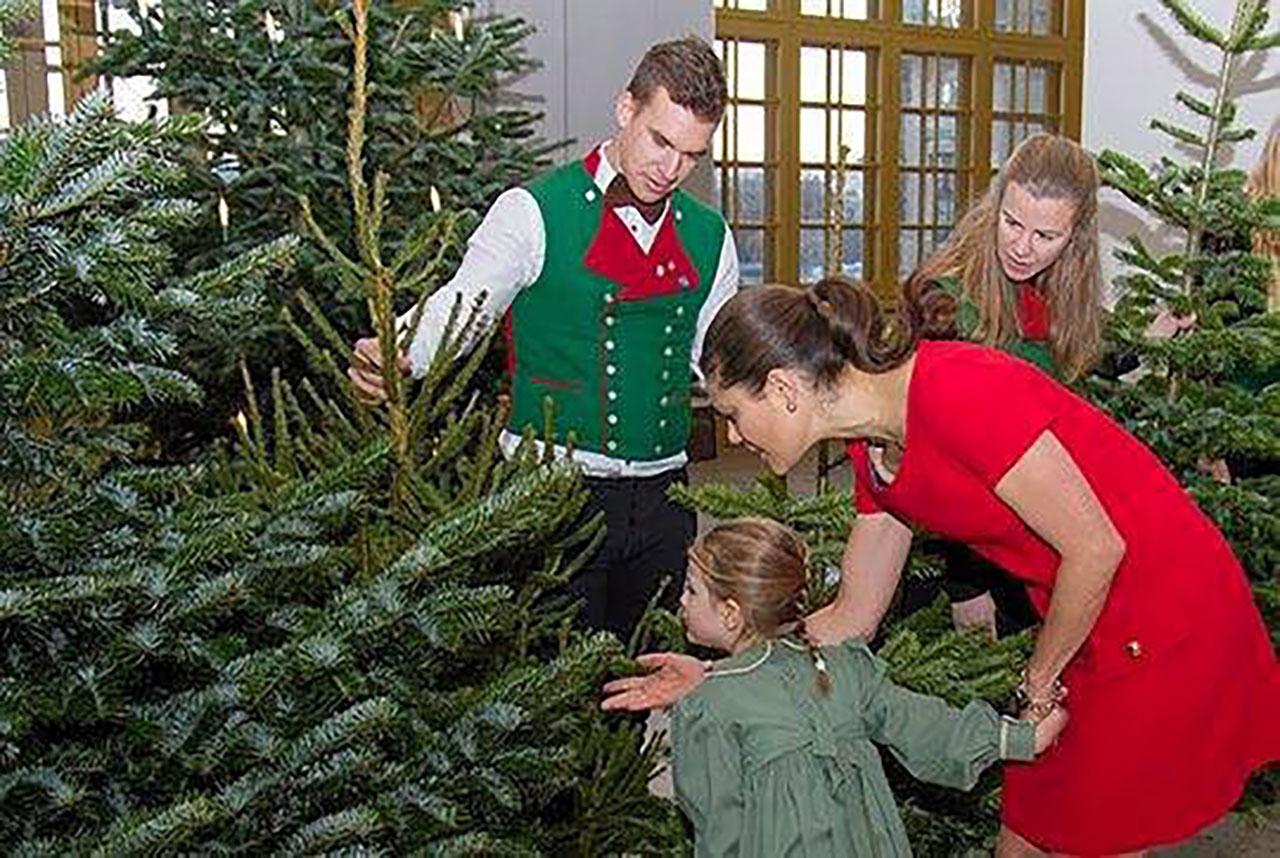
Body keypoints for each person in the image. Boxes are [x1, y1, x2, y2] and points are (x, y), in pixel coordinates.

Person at [604, 278, 1279, 856]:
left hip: (1157, 608)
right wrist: (728, 672)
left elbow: (1098, 548)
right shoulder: (875, 451)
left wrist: (1038, 679)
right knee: (1028, 832)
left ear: (782, 388)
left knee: (1097, 835)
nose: (732, 435)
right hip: (1079, 614)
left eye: (732, 413)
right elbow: (852, 617)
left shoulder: (957, 389)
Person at [347, 37, 740, 641]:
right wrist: (396, 351)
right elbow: (462, 307)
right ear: (626, 108)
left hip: (667, 495)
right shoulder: (531, 211)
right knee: (553, 665)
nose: (670, 170)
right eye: (660, 141)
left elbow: (718, 358)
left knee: (649, 661)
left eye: (691, 155)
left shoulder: (711, 235)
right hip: (552, 487)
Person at [668, 517, 1065, 857]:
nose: (682, 601)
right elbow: (928, 728)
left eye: (692, 590)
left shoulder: (707, 705)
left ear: (731, 613)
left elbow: (719, 827)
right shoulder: (846, 666)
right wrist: (1020, 737)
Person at [905, 132, 1104, 639]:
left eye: (1045, 236)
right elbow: (927, 453)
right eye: (1011, 223)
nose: (1021, 246)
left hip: (1030, 540)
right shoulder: (945, 303)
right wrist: (965, 585)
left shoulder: (1062, 296)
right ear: (995, 205)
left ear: (1075, 238)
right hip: (957, 558)